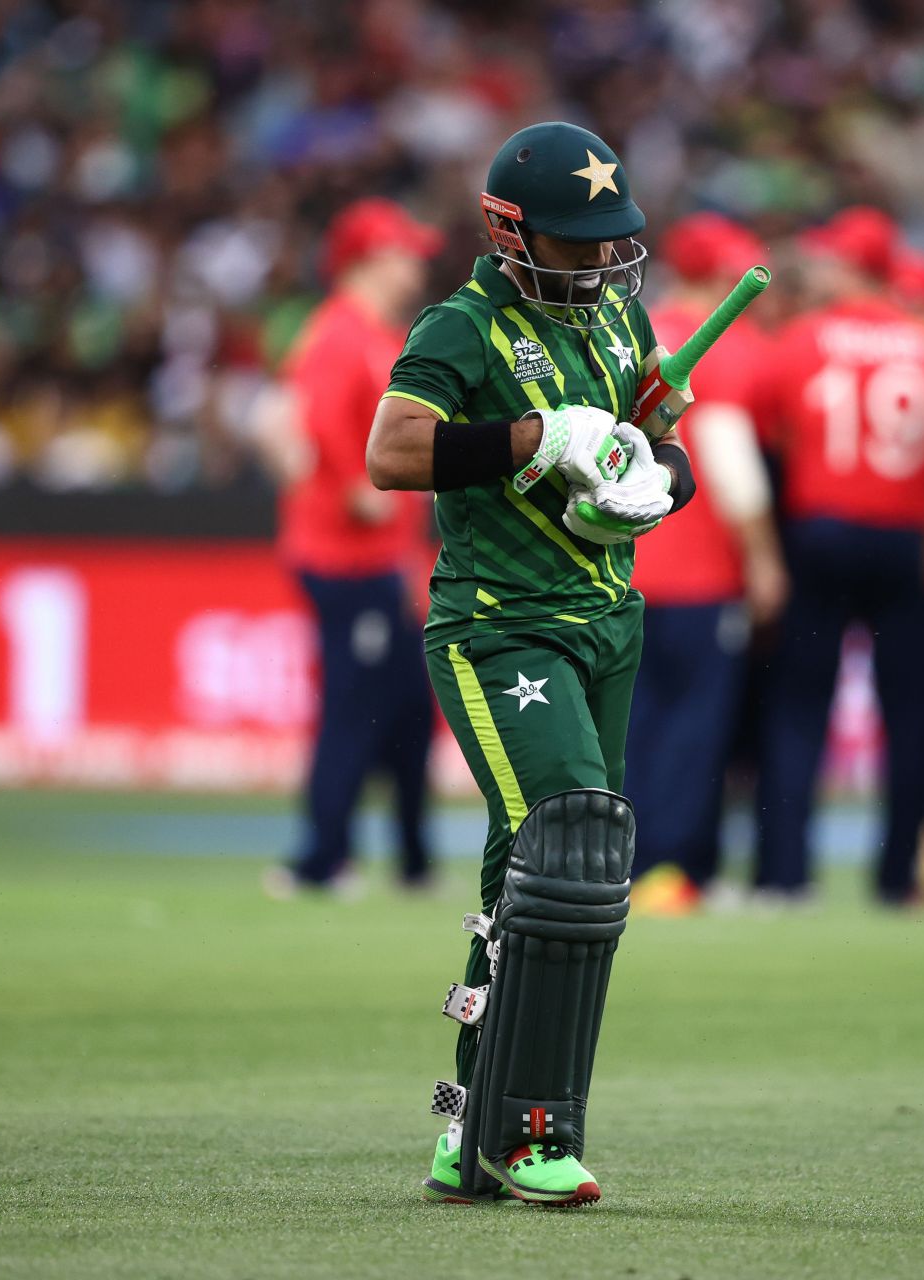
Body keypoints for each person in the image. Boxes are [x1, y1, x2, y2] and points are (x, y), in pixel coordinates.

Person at [366, 122, 696, 1206]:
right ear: (512, 233)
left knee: (546, 862)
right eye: (578, 240)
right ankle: (528, 1130)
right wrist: (531, 437)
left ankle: (468, 1126)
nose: (603, 259)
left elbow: (660, 450)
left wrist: (656, 474)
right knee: (568, 838)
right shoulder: (460, 327)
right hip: (502, 622)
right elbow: (392, 452)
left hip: (609, 618)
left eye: (614, 238)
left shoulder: (616, 311)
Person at [752, 206, 924, 906]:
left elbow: (770, 437)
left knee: (800, 705)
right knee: (911, 714)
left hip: (824, 533)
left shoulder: (802, 338)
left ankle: (784, 872)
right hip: (906, 538)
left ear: (851, 266)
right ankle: (897, 875)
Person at [262, 199, 441, 898]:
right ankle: (321, 857)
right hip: (345, 557)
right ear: (370, 258)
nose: (415, 265)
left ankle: (412, 858)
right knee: (354, 708)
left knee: (403, 708)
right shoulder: (338, 334)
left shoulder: (372, 333)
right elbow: (308, 420)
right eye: (404, 252)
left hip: (385, 561)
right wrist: (353, 487)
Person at [626, 213, 787, 916]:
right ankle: (671, 867)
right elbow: (731, 461)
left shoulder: (628, 331)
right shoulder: (732, 341)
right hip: (700, 571)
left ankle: (617, 862)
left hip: (626, 565)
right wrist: (764, 559)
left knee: (631, 726)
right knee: (694, 729)